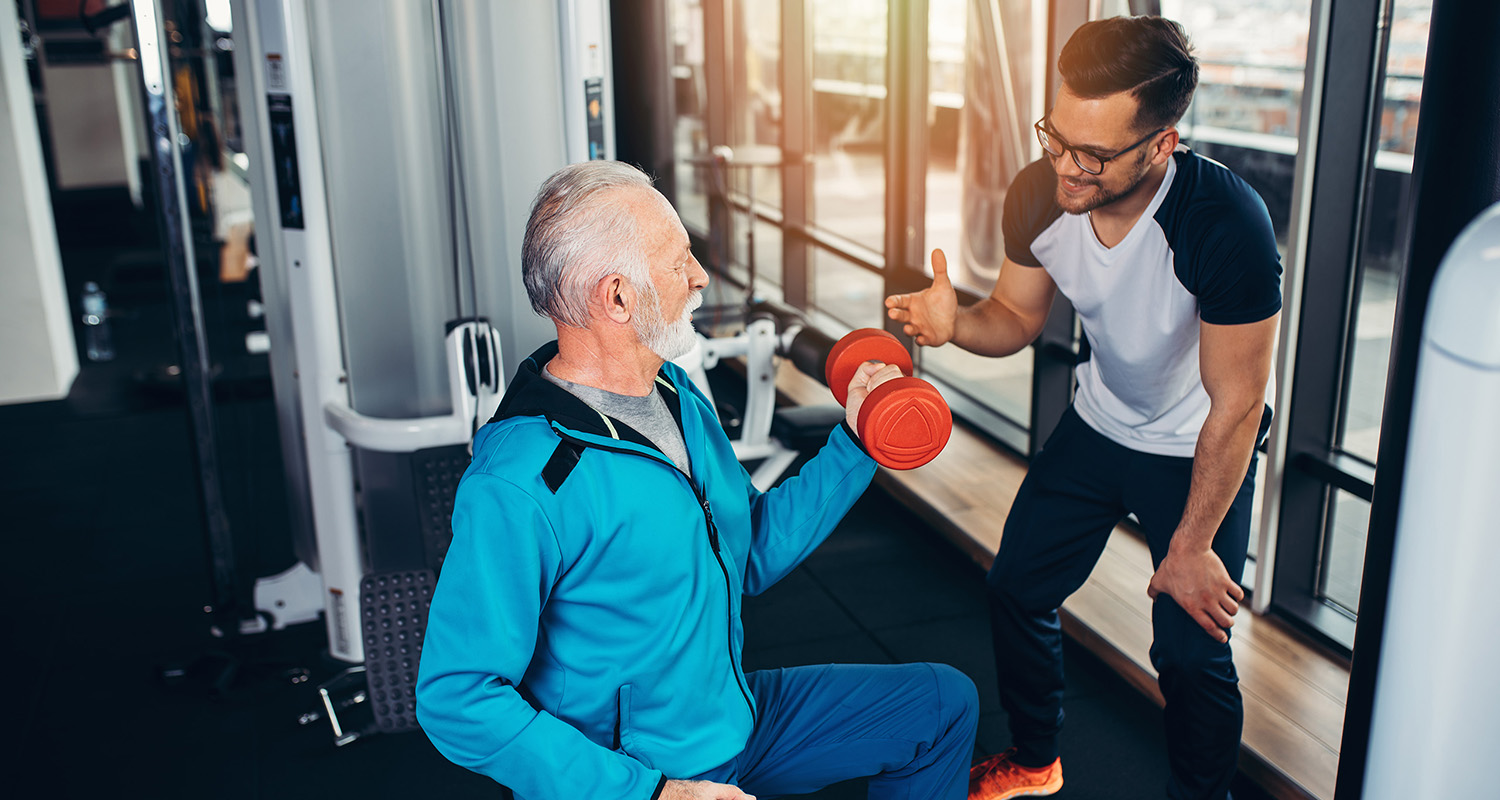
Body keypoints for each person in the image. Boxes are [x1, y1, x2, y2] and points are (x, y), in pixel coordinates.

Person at [416, 160, 980, 800]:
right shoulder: (519, 484)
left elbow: (751, 549)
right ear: (618, 297)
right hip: (641, 775)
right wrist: (653, 794)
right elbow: (457, 697)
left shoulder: (676, 396)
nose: (700, 278)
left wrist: (855, 441)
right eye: (679, 260)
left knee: (940, 706)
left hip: (733, 722)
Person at [886, 16, 1281, 800]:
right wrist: (956, 324)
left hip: (1195, 444)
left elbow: (1236, 406)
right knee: (1017, 588)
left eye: (1093, 155)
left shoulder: (1224, 225)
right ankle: (1036, 761)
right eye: (1055, 137)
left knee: (1192, 655)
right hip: (1100, 424)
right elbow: (1017, 316)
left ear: (1160, 145)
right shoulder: (1042, 192)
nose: (1066, 167)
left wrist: (1193, 545)